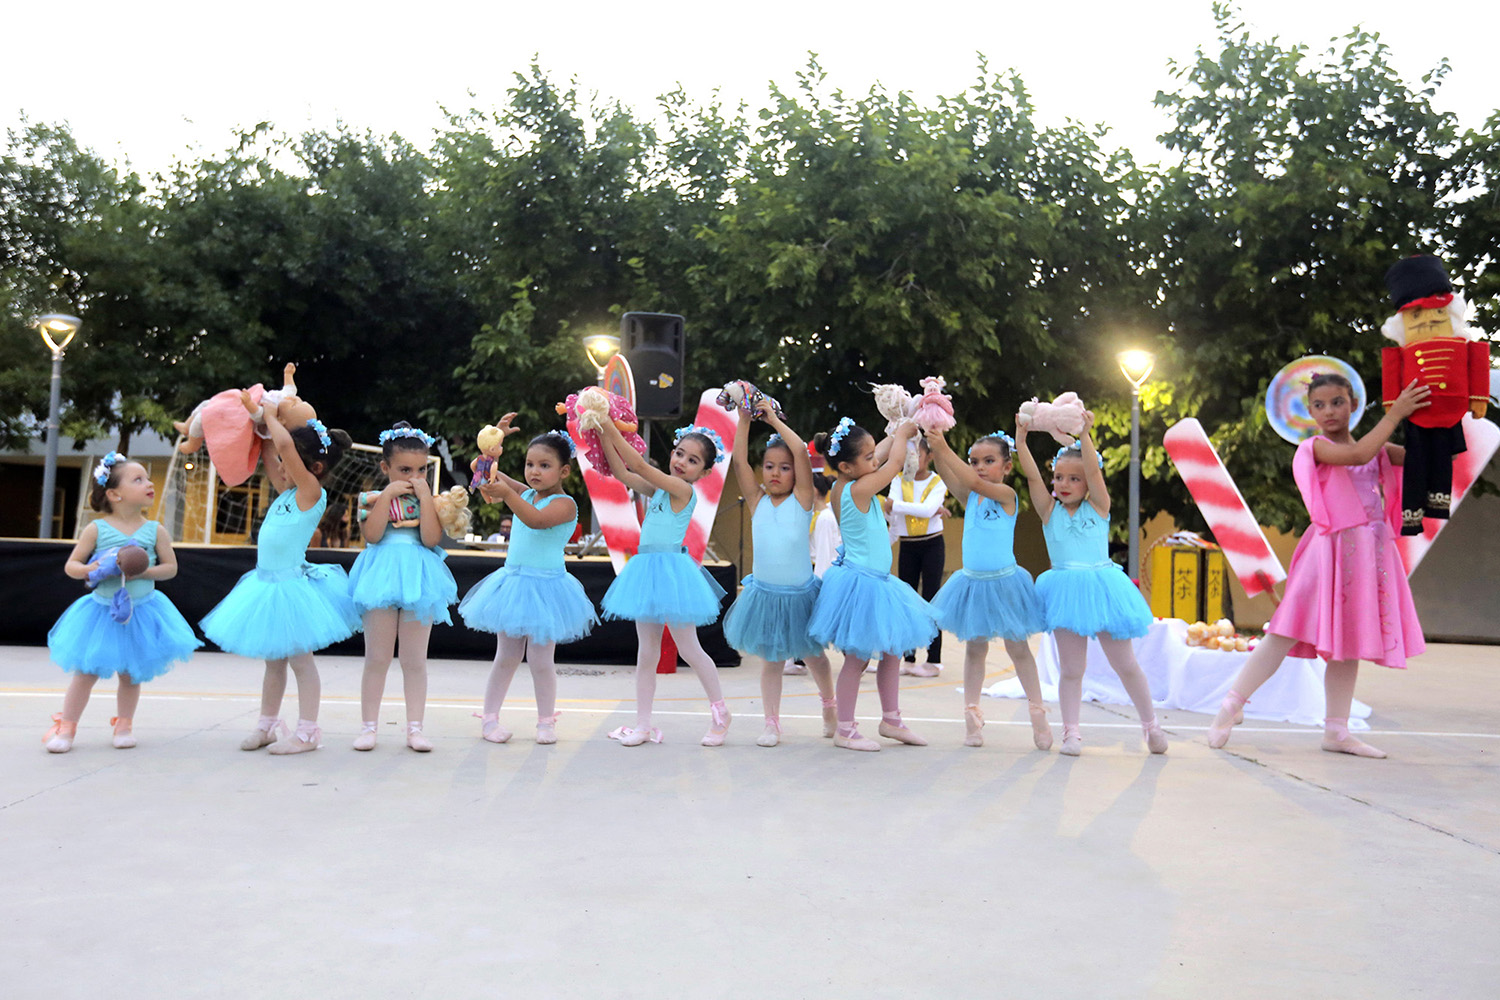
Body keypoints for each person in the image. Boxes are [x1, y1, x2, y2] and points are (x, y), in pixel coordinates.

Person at [1209, 374, 1430, 757]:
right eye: (1319, 405)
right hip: (1327, 552)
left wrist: (1437, 417)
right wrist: (1396, 414)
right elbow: (1358, 456)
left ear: (1354, 404)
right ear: (1309, 411)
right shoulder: (1315, 447)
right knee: (1284, 631)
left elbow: (1425, 460)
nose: (1329, 411)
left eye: (1338, 402)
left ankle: (1336, 732)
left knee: (1349, 643)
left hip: (1367, 554)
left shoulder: (1375, 447)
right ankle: (1231, 703)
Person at [202, 404, 360, 754]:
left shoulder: (311, 493)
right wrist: (259, 420)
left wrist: (272, 416)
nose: (281, 468)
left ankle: (307, 732)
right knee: (273, 662)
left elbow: (285, 446)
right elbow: (274, 452)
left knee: (301, 662)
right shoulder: (287, 492)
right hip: (266, 585)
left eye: (289, 463)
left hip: (290, 590)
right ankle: (268, 723)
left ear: (314, 469)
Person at [1015, 409, 1166, 757]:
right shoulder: (1049, 511)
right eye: (1058, 477)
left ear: (1087, 483)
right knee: (1071, 670)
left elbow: (1095, 471)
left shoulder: (1099, 507)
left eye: (1074, 478)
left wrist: (1084, 434)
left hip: (1104, 589)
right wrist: (1021, 440)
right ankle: (1071, 733)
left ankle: (1151, 726)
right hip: (1065, 593)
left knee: (1125, 664)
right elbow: (1033, 478)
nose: (1063, 484)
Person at [43, 453, 201, 752]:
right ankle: (66, 729)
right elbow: (72, 566)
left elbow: (170, 568)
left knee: (131, 673)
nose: (149, 484)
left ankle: (124, 725)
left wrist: (142, 570)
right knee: (85, 672)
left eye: (148, 478)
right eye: (138, 479)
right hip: (101, 612)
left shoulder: (155, 530)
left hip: (141, 612)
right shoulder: (97, 529)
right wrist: (94, 568)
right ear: (114, 494)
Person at [596, 417, 731, 746]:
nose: (682, 462)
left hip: (672, 574)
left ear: (703, 473)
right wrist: (602, 434)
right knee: (647, 653)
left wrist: (609, 425)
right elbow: (623, 473)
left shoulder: (683, 490)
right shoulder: (659, 489)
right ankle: (642, 725)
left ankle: (721, 712)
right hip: (647, 572)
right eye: (680, 453)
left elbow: (639, 465)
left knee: (689, 648)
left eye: (692, 460)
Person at [808, 417, 938, 751]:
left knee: (892, 649)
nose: (874, 460)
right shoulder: (858, 489)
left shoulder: (848, 482)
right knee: (858, 659)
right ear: (846, 466)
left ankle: (891, 719)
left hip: (876, 582)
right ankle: (845, 729)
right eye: (867, 458)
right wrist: (904, 436)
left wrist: (894, 429)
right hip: (862, 585)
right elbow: (893, 464)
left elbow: (879, 455)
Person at [459, 429, 597, 745]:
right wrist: (491, 445)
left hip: (547, 589)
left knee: (540, 660)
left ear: (564, 471)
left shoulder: (565, 504)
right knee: (506, 656)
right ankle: (489, 718)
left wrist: (508, 493)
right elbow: (481, 471)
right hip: (514, 584)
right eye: (529, 464)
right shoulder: (525, 494)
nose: (534, 471)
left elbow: (535, 520)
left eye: (544, 465)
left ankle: (545, 722)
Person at [924, 427, 1051, 749]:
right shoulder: (972, 498)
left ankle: (1037, 711)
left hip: (1005, 584)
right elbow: (947, 473)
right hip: (974, 584)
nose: (980, 467)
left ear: (1007, 467)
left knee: (1018, 648)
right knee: (975, 649)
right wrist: (934, 443)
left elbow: (974, 482)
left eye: (988, 461)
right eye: (974, 461)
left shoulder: (1006, 496)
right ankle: (971, 713)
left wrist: (945, 447)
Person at [721, 400, 838, 746]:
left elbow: (800, 450)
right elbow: (739, 462)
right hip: (765, 596)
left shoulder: (803, 499)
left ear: (797, 473)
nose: (775, 473)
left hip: (800, 595)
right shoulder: (756, 501)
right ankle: (771, 723)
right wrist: (744, 420)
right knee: (771, 661)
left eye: (784, 468)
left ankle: (829, 705)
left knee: (815, 657)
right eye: (769, 466)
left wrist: (771, 419)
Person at [347, 422, 459, 752]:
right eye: (405, 470)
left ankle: (415, 729)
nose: (414, 477)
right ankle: (369, 727)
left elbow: (430, 539)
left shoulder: (431, 500)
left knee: (414, 660)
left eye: (421, 469)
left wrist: (425, 499)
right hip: (380, 576)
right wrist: (387, 496)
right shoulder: (370, 499)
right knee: (377, 658)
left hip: (418, 578)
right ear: (386, 468)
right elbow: (372, 535)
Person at [885, 438, 948, 676]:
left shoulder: (938, 482)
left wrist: (896, 505)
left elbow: (926, 509)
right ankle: (908, 658)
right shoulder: (898, 480)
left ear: (928, 456)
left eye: (916, 456)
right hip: (908, 546)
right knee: (907, 600)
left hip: (932, 544)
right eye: (906, 457)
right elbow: (897, 511)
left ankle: (934, 659)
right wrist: (898, 507)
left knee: (931, 599)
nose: (910, 462)